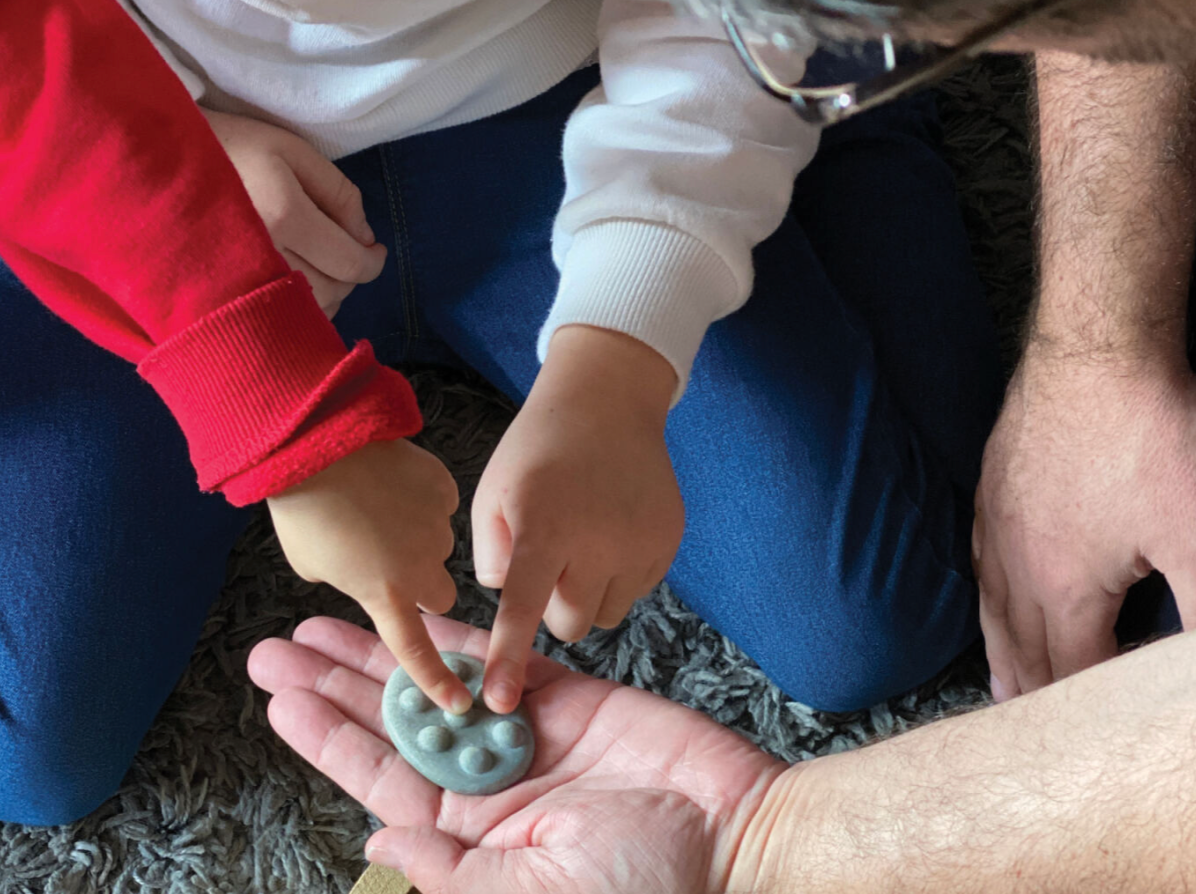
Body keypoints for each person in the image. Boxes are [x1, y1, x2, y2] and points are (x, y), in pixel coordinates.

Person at [248, 0, 1196, 894]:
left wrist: (751, 857)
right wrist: (196, 240)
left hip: (579, 94)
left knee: (863, 617)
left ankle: (845, 91)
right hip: (219, 181)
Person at [0, 0, 1002, 826]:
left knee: (877, 621)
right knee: (28, 758)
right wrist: (270, 397)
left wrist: (616, 365)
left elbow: (713, 28)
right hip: (124, 138)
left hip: (559, 100)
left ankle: (851, 78)